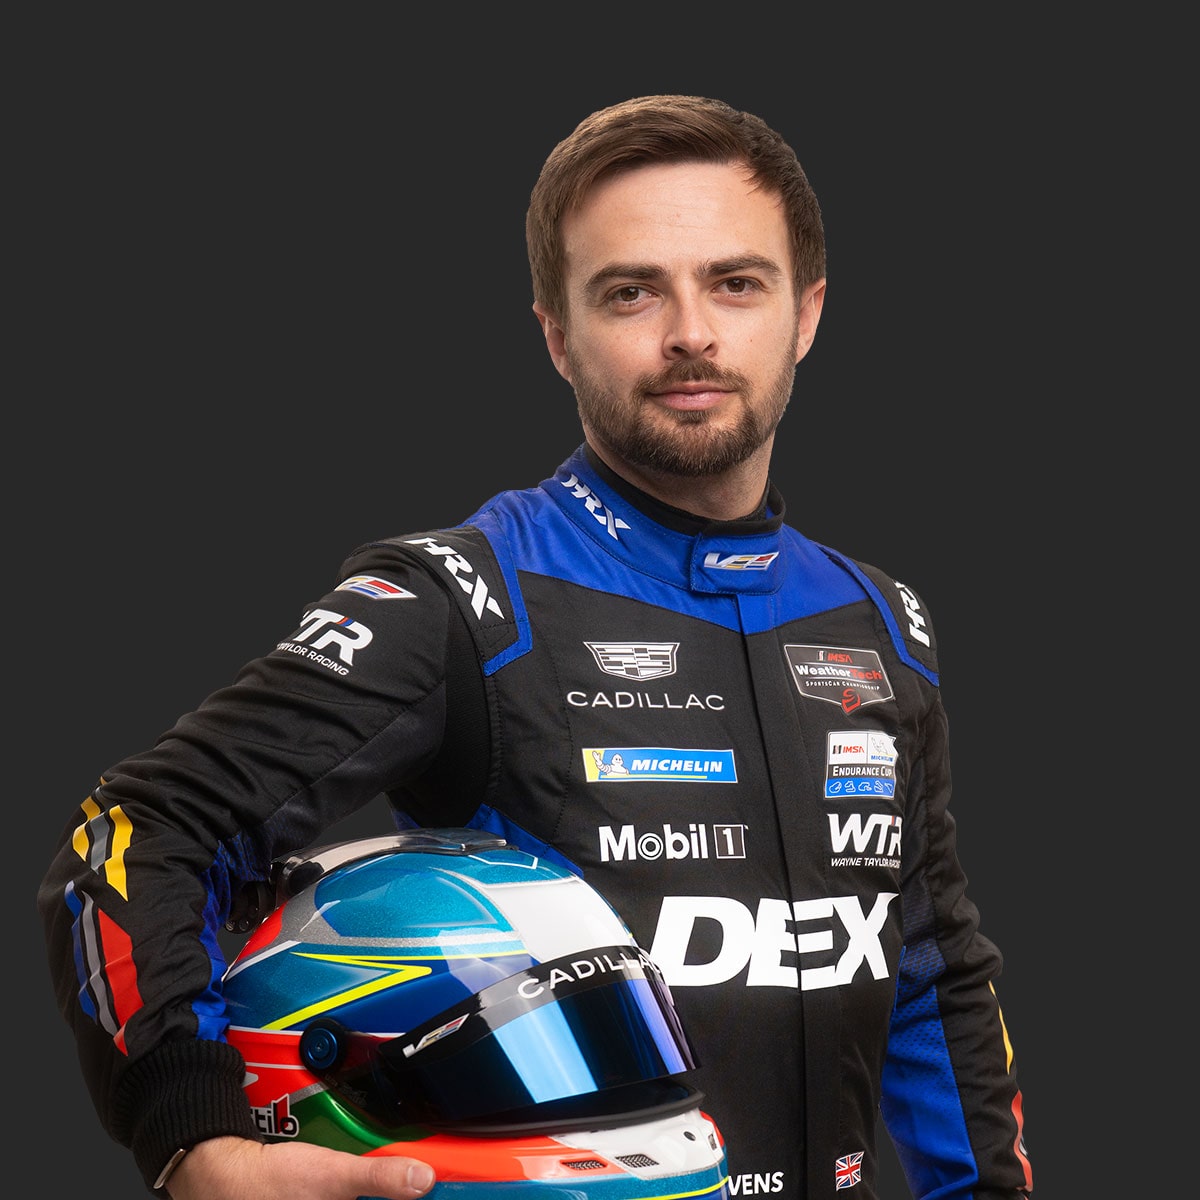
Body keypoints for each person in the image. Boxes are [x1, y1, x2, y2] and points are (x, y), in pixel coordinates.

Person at [38, 94, 1033, 1199]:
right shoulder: (466, 599)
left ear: (806, 314)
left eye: (735, 282)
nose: (690, 332)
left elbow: (931, 975)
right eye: (630, 291)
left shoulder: (883, 622)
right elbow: (138, 829)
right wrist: (194, 1138)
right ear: (558, 336)